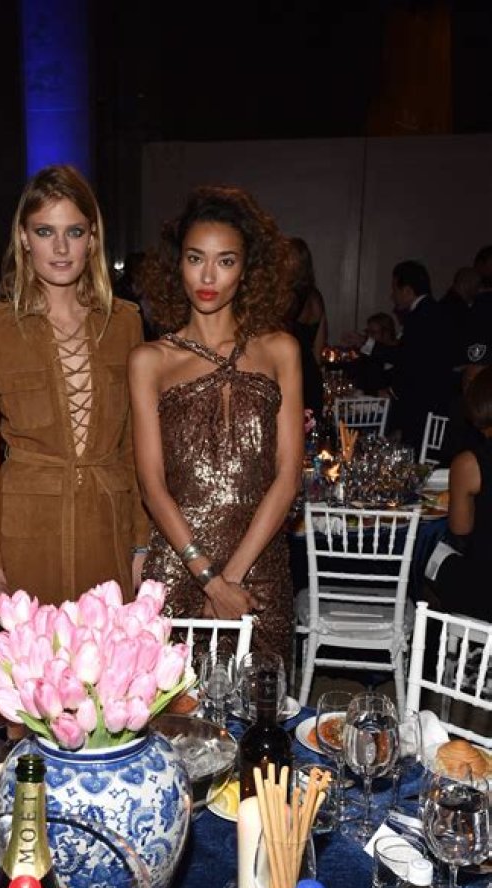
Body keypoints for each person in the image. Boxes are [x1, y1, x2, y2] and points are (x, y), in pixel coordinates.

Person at [0, 164, 149, 624]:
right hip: (25, 532)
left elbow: (134, 446)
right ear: (24, 238)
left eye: (74, 232)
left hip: (106, 529)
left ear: (93, 238)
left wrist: (141, 545)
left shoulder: (124, 322)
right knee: (29, 664)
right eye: (45, 231)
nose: (61, 248)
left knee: (107, 663)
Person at [128, 185, 303, 663]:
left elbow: (288, 477)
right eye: (195, 259)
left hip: (259, 571)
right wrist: (208, 577)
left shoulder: (280, 351)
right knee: (175, 705)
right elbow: (151, 485)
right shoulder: (150, 361)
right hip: (179, 569)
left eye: (225, 261)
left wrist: (231, 580)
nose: (208, 276)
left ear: (246, 270)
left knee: (261, 702)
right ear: (177, 265)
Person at [425, 365, 492, 622]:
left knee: (425, 556)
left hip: (485, 592)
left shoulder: (470, 463)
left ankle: (432, 634)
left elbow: (460, 528)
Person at [387, 260, 452, 455]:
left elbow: (407, 360)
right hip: (437, 399)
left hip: (420, 402)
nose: (392, 295)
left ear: (407, 290)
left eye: (395, 289)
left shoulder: (418, 316)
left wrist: (369, 345)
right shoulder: (437, 310)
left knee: (414, 452)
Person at [285, 237, 325, 422]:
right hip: (311, 373)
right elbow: (318, 348)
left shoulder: (286, 297)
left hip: (291, 373)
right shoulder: (316, 297)